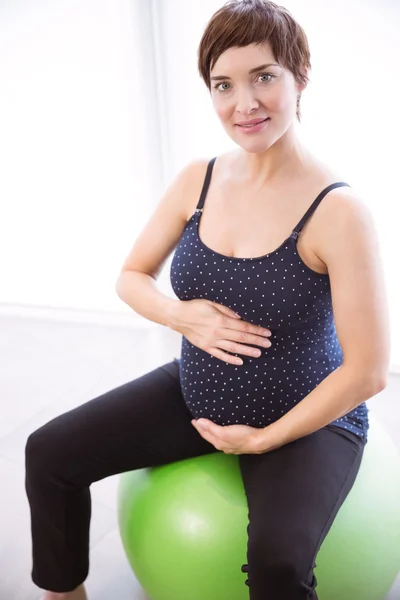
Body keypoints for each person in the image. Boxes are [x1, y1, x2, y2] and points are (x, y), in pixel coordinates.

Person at [25, 0, 391, 599]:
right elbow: (131, 275)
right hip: (197, 391)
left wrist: (264, 439)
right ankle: (64, 595)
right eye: (223, 85)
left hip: (306, 419)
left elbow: (370, 370)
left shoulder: (340, 212)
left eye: (263, 77)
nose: (243, 104)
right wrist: (178, 314)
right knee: (49, 454)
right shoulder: (198, 178)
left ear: (300, 79)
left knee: (277, 564)